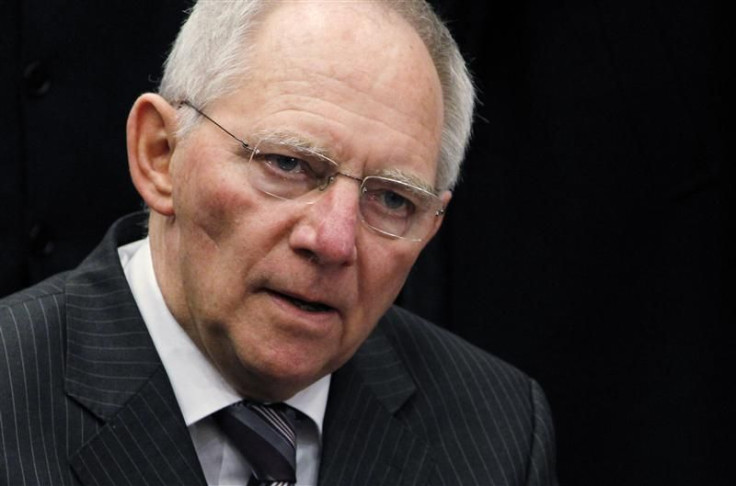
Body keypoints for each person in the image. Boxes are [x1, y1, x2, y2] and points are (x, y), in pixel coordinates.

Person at [0, 1, 558, 485]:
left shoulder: (497, 430)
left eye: (392, 199)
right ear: (161, 156)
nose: (334, 241)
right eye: (287, 165)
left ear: (431, 227)